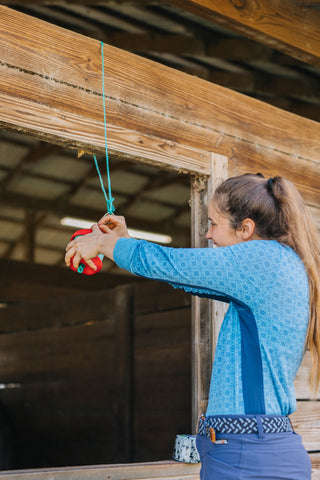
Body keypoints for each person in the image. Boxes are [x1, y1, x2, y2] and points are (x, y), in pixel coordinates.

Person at [65, 173, 320, 480]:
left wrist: (105, 243)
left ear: (246, 229)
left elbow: (174, 264)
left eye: (213, 223)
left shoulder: (264, 259)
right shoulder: (279, 265)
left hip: (246, 455)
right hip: (259, 449)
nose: (209, 234)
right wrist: (124, 242)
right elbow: (185, 276)